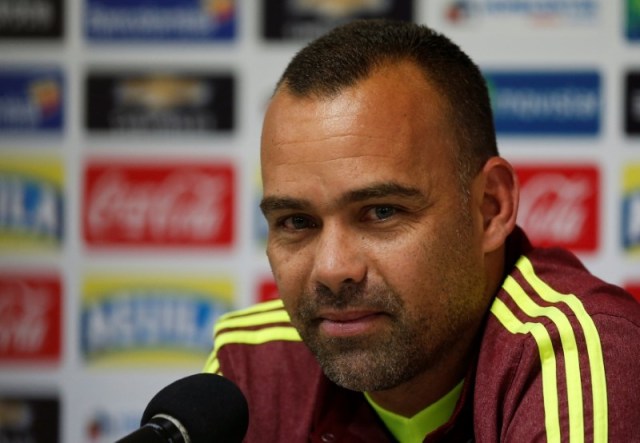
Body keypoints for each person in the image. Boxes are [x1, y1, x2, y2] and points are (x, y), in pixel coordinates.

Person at [204, 19, 640, 442]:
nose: (333, 269)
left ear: (490, 209)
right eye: (296, 222)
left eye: (380, 212)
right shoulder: (251, 368)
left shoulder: (578, 358)